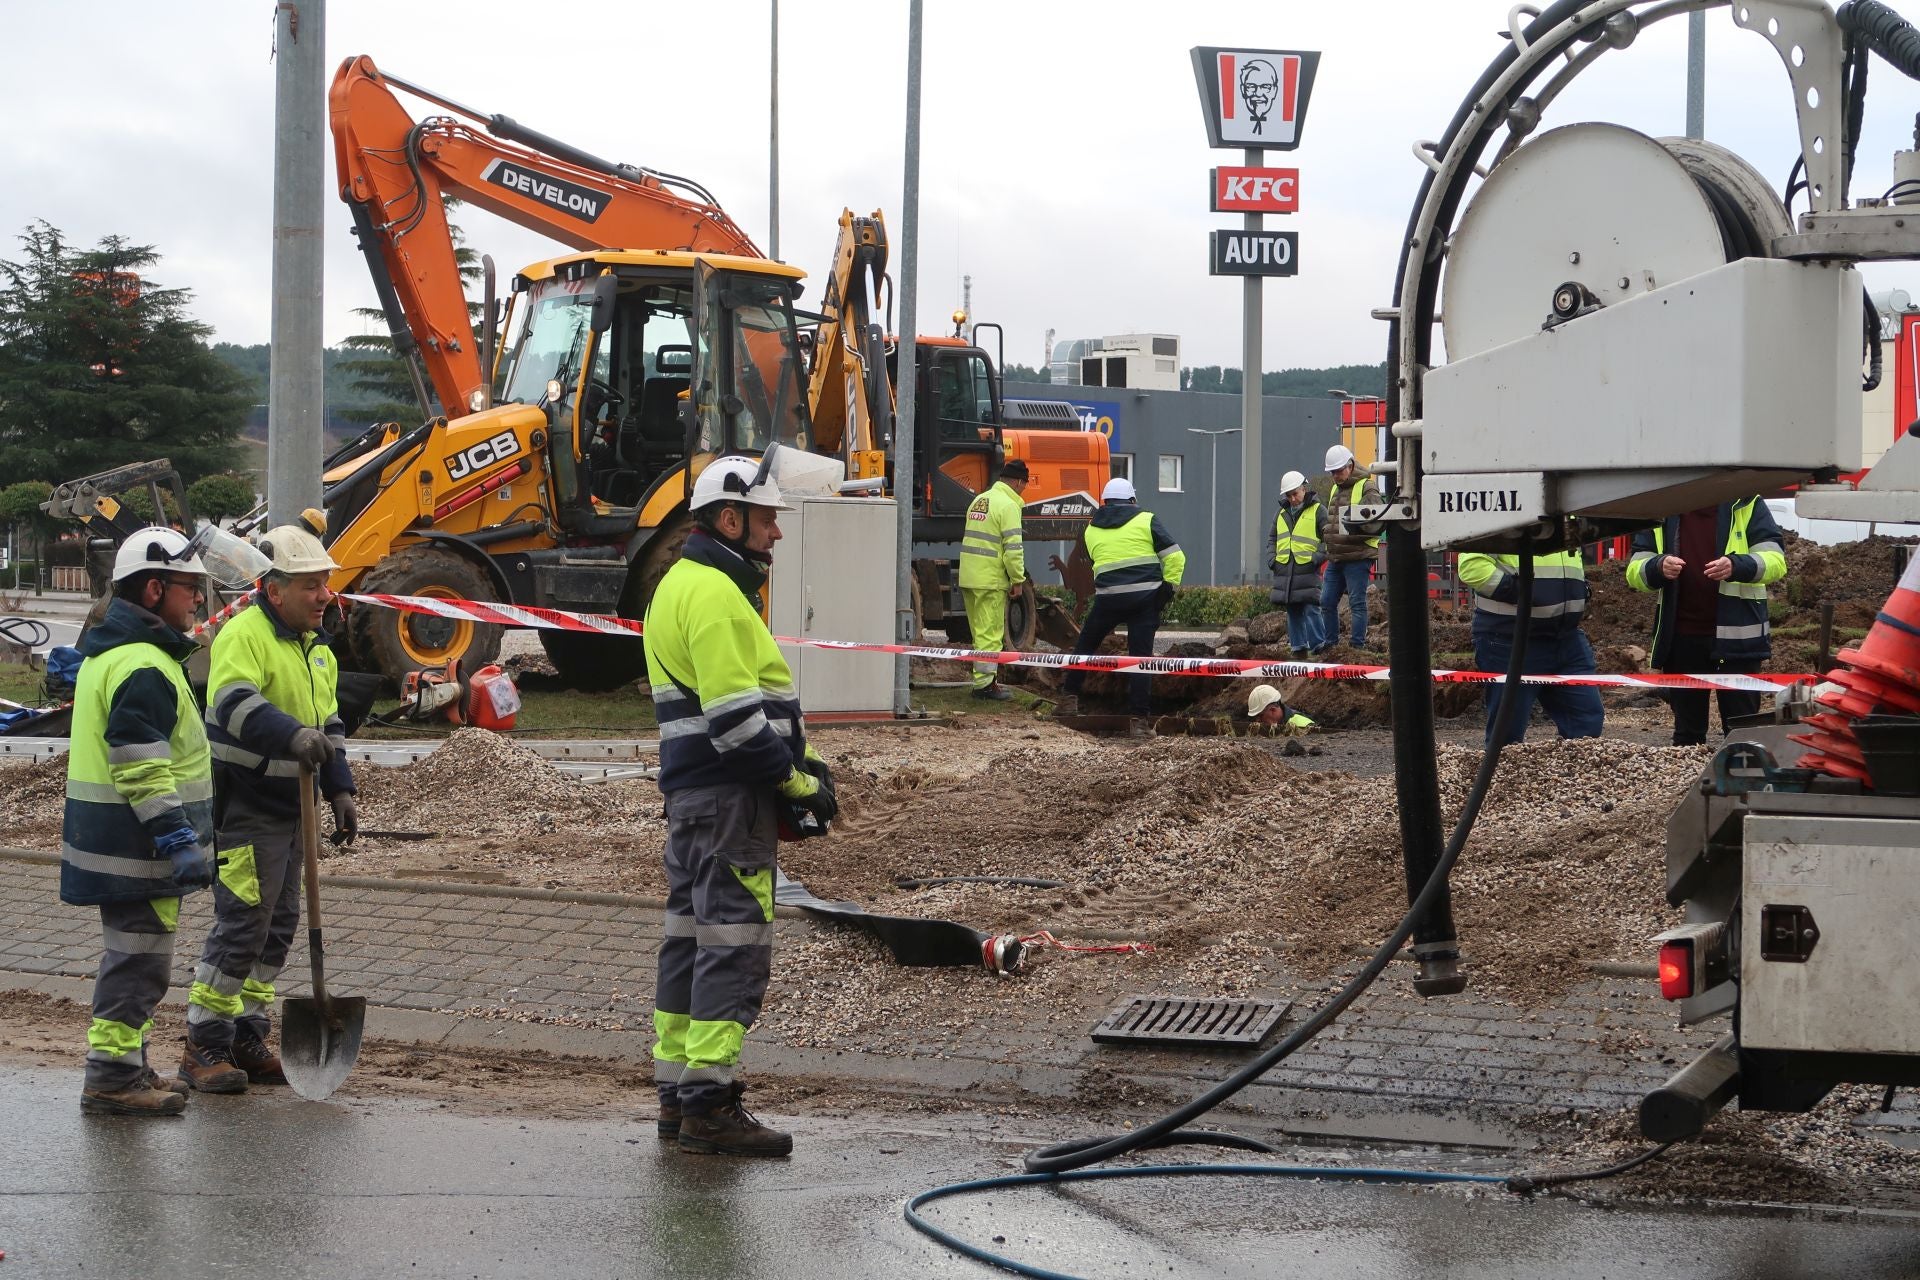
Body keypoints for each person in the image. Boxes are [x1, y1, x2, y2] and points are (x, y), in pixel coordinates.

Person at [643, 451, 835, 1158]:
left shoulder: (675, 587)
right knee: (731, 947)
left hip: (692, 801)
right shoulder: (720, 595)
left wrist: (795, 760)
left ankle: (677, 1098)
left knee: (689, 943)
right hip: (731, 804)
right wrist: (798, 783)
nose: (776, 534)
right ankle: (708, 1106)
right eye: (766, 519)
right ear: (730, 518)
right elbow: (737, 724)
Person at [184, 524, 356, 1093]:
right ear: (275, 589)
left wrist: (339, 789)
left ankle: (248, 1034)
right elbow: (233, 705)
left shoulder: (316, 648)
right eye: (310, 586)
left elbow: (328, 725)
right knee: (243, 927)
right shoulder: (244, 634)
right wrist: (291, 737)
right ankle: (203, 1042)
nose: (323, 596)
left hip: (294, 812)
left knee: (278, 927)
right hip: (248, 807)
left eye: (325, 584)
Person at [62, 528, 215, 1116]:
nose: (198, 599)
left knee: (136, 960)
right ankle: (110, 1078)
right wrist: (177, 837)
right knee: (138, 966)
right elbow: (141, 766)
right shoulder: (145, 665)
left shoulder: (116, 655)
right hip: (138, 850)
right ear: (155, 589)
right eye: (188, 587)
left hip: (119, 845)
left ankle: (130, 1067)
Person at [1625, 497, 1787, 745]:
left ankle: (1739, 781)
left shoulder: (1747, 501)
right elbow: (1634, 571)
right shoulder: (1661, 505)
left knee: (1741, 733)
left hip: (1738, 641)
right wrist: (1657, 566)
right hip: (1682, 640)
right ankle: (1688, 783)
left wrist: (1736, 565)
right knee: (1687, 735)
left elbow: (1776, 562)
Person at [1058, 477, 1185, 720]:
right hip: (1145, 599)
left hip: (1108, 599)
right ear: (1132, 499)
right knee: (1141, 659)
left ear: (1105, 501)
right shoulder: (1146, 520)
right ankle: (1138, 721)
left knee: (1084, 646)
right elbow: (1176, 558)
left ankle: (1068, 699)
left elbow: (1099, 563)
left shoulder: (1090, 529)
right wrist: (1167, 590)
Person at [1456, 548, 1604, 748]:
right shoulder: (1498, 516)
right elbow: (1472, 567)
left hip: (1565, 637)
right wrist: (1523, 592)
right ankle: (1503, 777)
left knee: (1587, 725)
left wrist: (1579, 589)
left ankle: (1571, 775)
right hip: (1510, 639)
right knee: (1508, 737)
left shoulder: (1564, 520)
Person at [958, 458, 1029, 700]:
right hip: (990, 579)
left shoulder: (980, 500)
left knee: (979, 632)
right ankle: (985, 686)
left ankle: (983, 680)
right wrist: (1017, 580)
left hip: (970, 576)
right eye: (1024, 485)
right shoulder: (1008, 506)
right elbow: (1013, 549)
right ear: (1019, 482)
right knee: (990, 634)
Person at [1318, 444, 1384, 652]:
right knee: (1327, 601)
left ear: (1350, 465)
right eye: (1332, 472)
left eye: (1338, 471)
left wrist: (1354, 529)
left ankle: (1356, 648)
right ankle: (1331, 645)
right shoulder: (1336, 489)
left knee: (1357, 602)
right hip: (1337, 557)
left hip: (1358, 556)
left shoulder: (1367, 487)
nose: (1335, 476)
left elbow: (1376, 521)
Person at [1267, 470, 1326, 658]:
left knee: (1311, 607)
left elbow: (1329, 538)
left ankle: (1318, 647)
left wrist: (1317, 558)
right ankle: (1298, 648)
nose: (1292, 499)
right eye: (1289, 495)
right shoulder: (1281, 513)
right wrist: (1272, 559)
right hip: (1286, 570)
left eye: (1295, 494)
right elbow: (1272, 539)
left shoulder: (1318, 510)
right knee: (1292, 609)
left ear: (1304, 488)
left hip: (1307, 569)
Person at [1246, 684, 1315, 735]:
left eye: (1260, 715)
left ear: (1273, 710)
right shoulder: (1270, 727)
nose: (1257, 721)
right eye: (1256, 716)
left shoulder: (1304, 726)